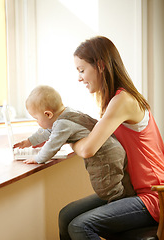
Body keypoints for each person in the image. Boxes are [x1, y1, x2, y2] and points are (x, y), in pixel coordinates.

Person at [58, 36, 164, 240]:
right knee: (66, 216)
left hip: (152, 195)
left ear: (100, 66)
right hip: (131, 190)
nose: (79, 78)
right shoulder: (113, 102)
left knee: (80, 227)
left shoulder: (123, 100)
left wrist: (71, 141)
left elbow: (89, 148)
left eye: (82, 70)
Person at [14, 85, 135, 202]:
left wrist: (38, 158)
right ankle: (130, 198)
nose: (37, 122)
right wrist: (29, 141)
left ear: (48, 114)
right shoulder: (67, 114)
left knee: (105, 188)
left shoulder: (63, 124)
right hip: (115, 149)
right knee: (121, 179)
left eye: (36, 118)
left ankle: (120, 204)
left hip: (105, 156)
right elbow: (48, 132)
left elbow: (52, 145)